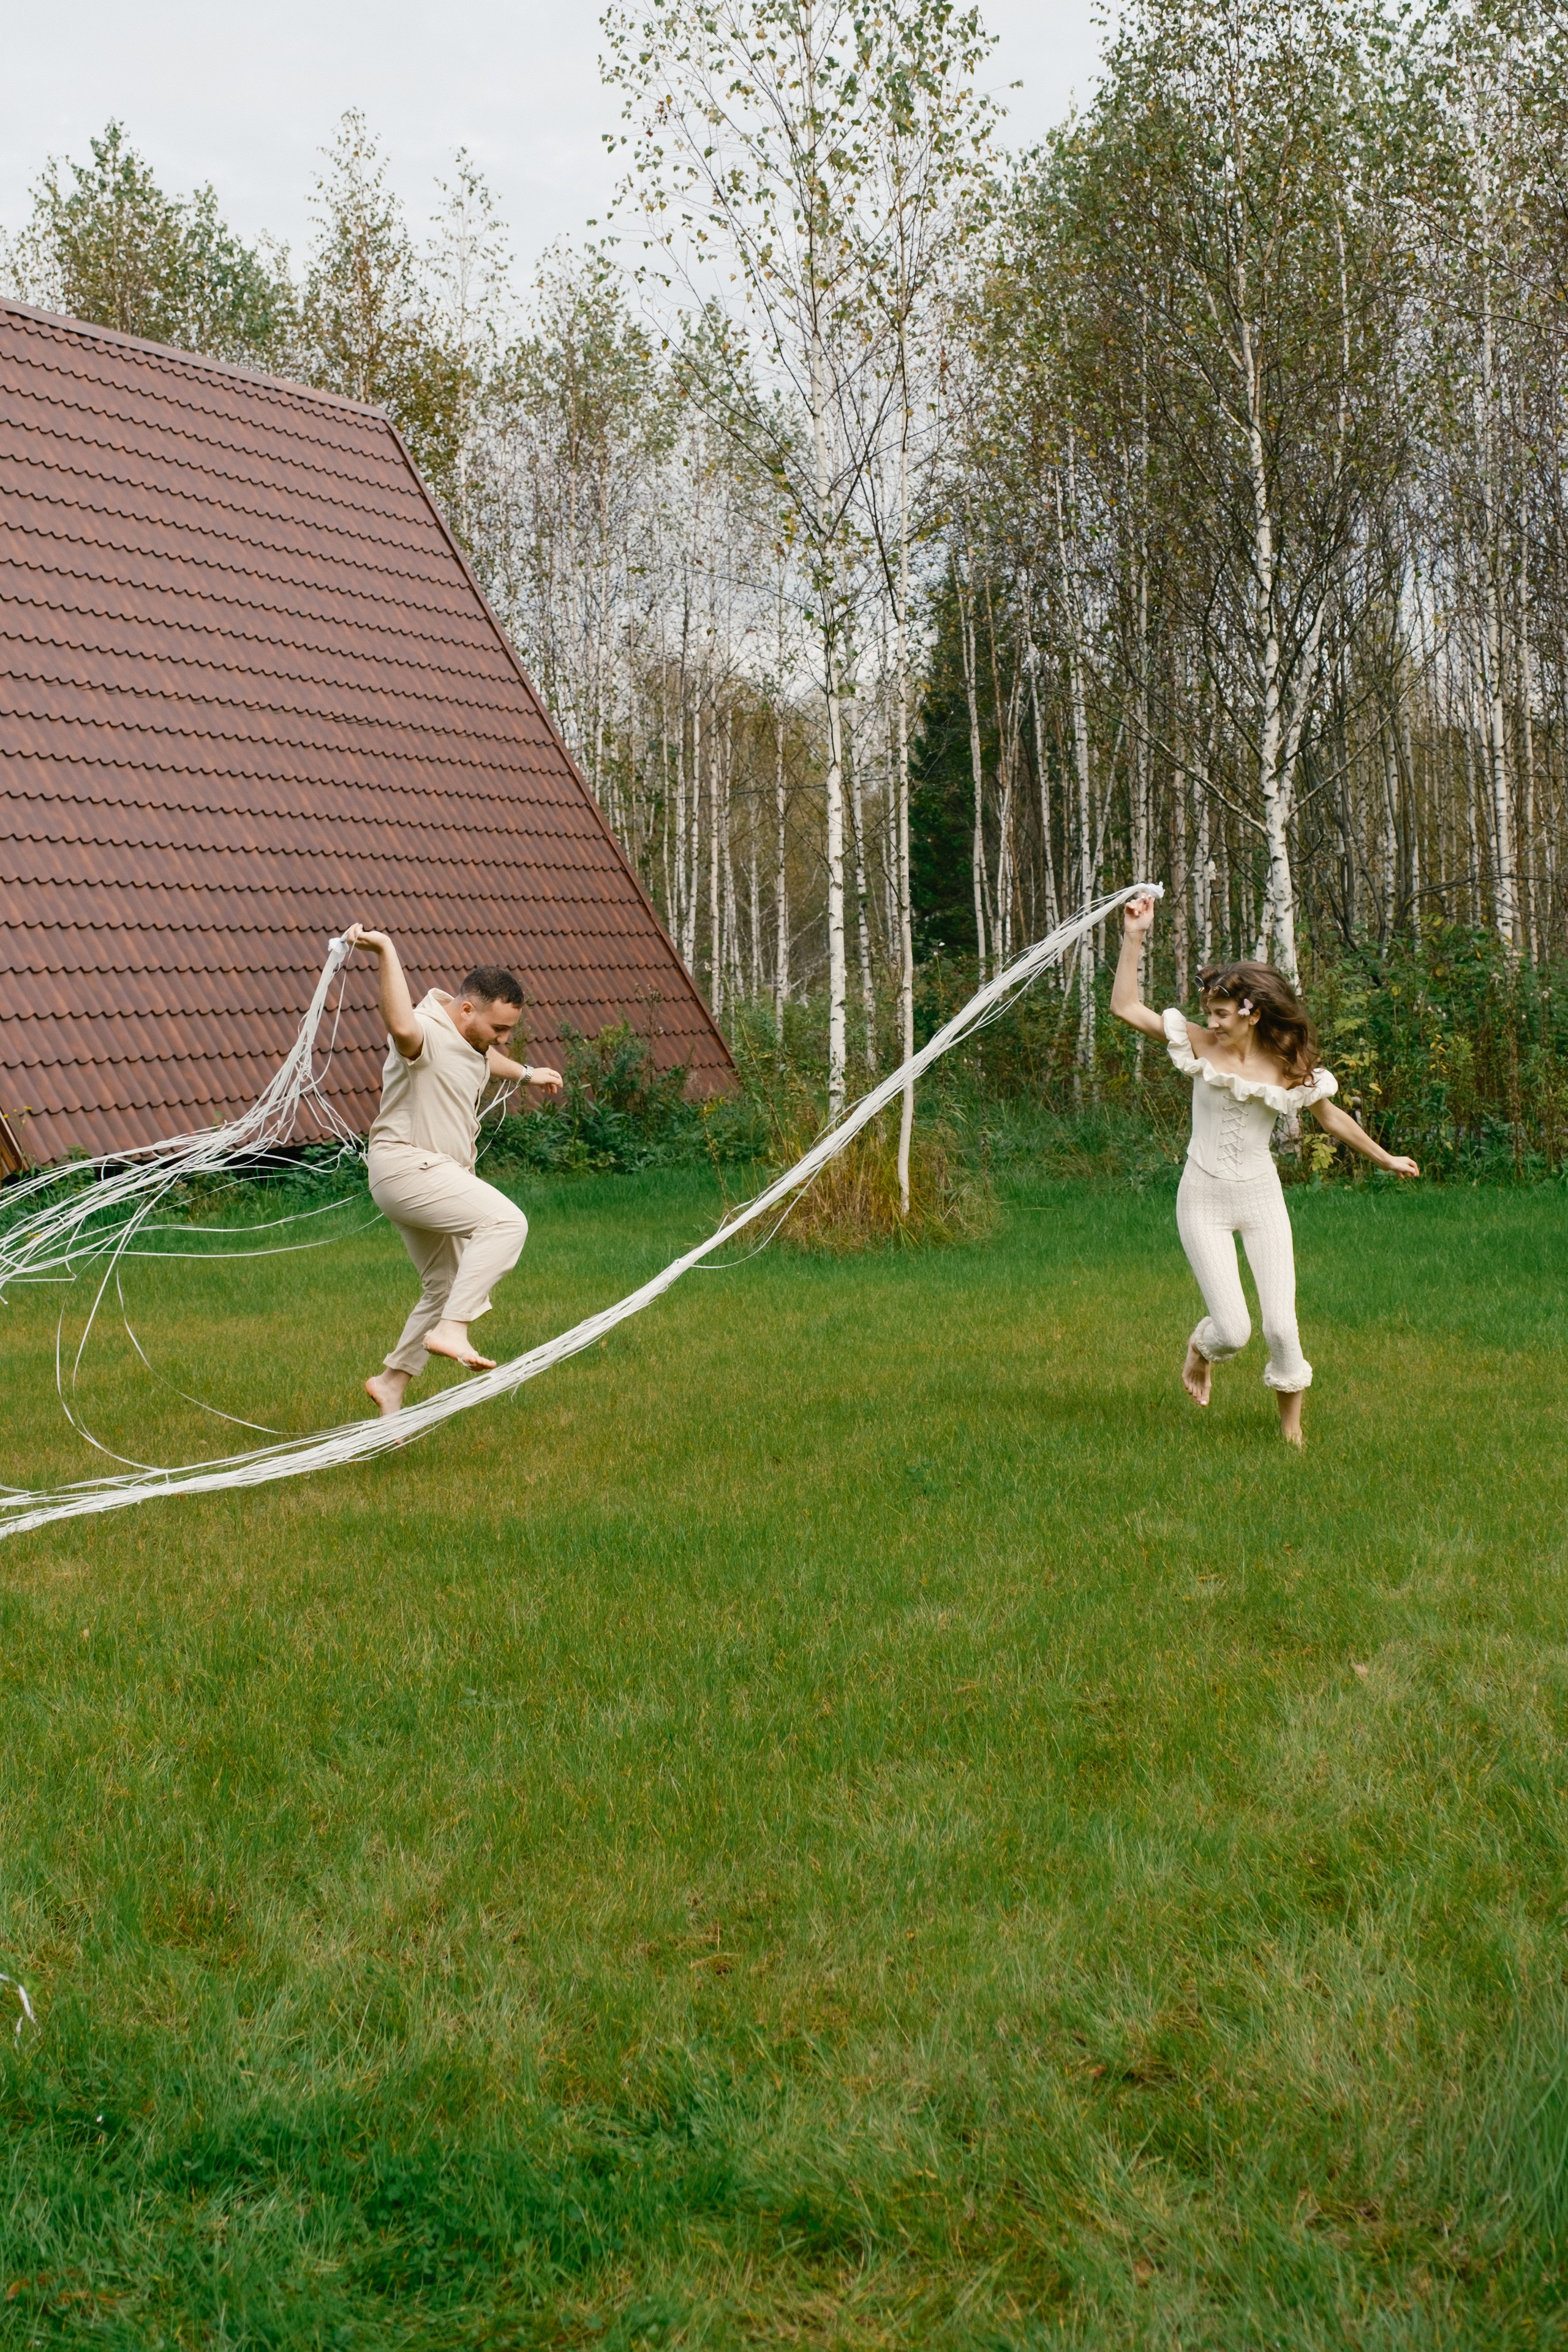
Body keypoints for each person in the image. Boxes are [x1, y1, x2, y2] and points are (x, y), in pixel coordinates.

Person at [1110, 892, 1420, 1445]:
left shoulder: (1288, 1064)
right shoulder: (1199, 1044)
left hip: (1260, 1200)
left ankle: (1291, 1433)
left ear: (1253, 1011)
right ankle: (1202, 1350)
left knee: (1281, 1326)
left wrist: (1385, 1157)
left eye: (1222, 1013)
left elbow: (1332, 1119)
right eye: (1210, 1012)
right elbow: (1128, 1010)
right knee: (1233, 1330)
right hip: (1202, 1197)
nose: (1213, 1021)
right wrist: (1135, 935)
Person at [346, 926, 562, 1416]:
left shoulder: (473, 1040)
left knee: (443, 1284)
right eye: (499, 1030)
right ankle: (452, 1329)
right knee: (507, 1223)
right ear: (467, 1010)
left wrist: (528, 1074)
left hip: (421, 1176)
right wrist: (386, 950)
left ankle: (391, 1381)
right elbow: (401, 1028)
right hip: (409, 1168)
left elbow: (485, 1061)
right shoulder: (425, 1031)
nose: (504, 1040)